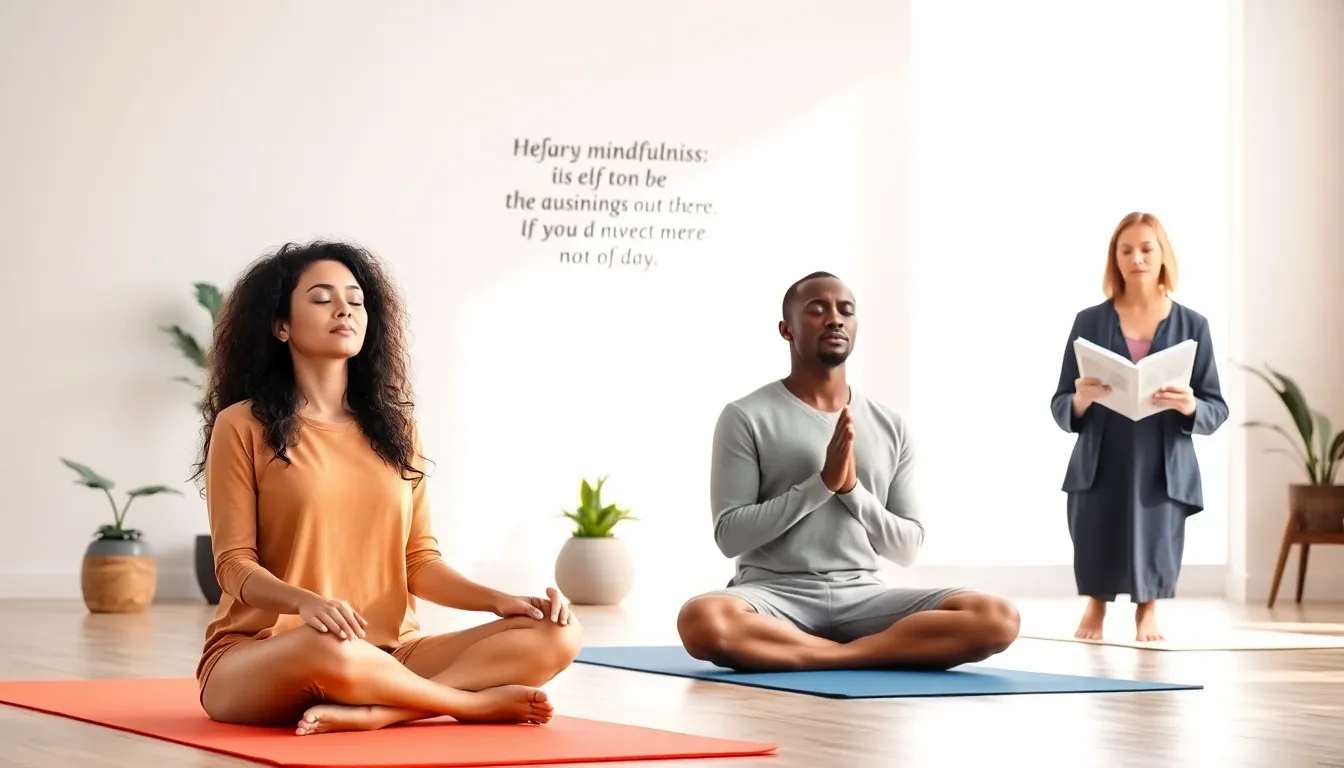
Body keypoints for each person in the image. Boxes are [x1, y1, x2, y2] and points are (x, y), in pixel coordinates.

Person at [192, 241, 582, 736]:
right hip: (268, 654)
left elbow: (419, 562)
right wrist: (304, 603)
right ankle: (467, 704)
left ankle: (388, 710)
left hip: (389, 656)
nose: (345, 310)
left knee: (558, 634)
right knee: (326, 644)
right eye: (321, 298)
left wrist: (498, 600)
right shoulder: (242, 424)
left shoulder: (397, 430)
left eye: (356, 300)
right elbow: (233, 566)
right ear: (280, 325)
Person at [676, 272, 1020, 672]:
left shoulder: (890, 424)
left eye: (846, 310)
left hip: (864, 598)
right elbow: (730, 535)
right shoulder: (745, 416)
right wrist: (820, 484)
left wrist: (851, 489)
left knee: (997, 618)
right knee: (701, 620)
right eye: (817, 309)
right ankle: (870, 653)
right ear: (787, 329)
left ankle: (828, 655)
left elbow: (906, 548)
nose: (835, 319)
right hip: (773, 596)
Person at [1051, 212, 1228, 642]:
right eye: (1126, 249)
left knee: (1156, 533)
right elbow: (1060, 402)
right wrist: (1081, 399)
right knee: (1096, 526)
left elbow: (1216, 407)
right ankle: (1096, 606)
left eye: (1147, 248)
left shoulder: (1193, 325)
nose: (1137, 258)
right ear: (1115, 258)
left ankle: (1147, 611)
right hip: (1102, 451)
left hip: (1163, 455)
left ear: (1162, 255)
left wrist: (1189, 405)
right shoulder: (1088, 322)